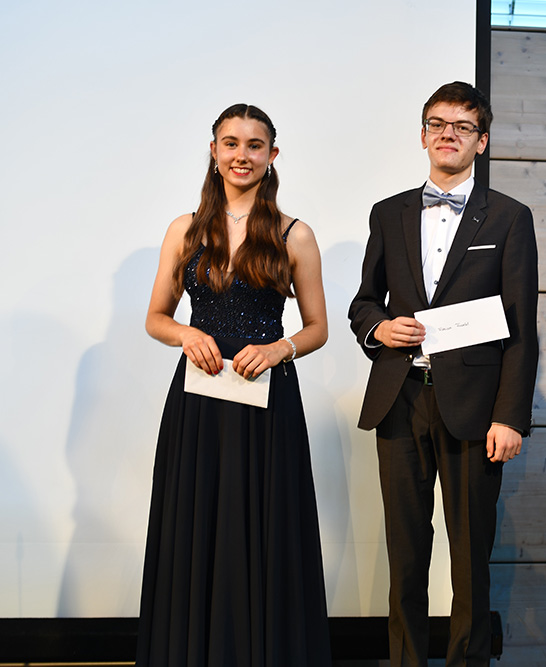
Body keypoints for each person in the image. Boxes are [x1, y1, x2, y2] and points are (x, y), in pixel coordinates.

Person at [348, 81, 538, 667]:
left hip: (475, 410)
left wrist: (510, 417)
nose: (448, 134)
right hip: (400, 399)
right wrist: (379, 328)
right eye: (437, 124)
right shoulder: (389, 213)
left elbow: (521, 327)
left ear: (482, 140)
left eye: (462, 126)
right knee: (405, 555)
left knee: (469, 558)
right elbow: (363, 303)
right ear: (423, 135)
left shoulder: (509, 217)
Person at [138, 104, 331, 666]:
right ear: (214, 151)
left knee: (266, 530)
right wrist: (184, 334)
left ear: (272, 155)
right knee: (195, 528)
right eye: (230, 143)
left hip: (268, 401)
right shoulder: (185, 229)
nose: (241, 155)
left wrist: (278, 348)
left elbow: (317, 328)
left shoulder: (296, 234)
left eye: (254, 145)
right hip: (198, 402)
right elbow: (155, 318)